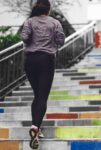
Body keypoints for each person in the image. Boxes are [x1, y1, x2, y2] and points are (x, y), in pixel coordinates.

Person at [21, 0, 65, 149]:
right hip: (46, 61)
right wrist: (50, 39)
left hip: (30, 61)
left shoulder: (29, 21)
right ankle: (35, 128)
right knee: (42, 97)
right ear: (48, 9)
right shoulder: (55, 23)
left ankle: (36, 127)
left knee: (37, 96)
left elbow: (24, 38)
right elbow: (61, 40)